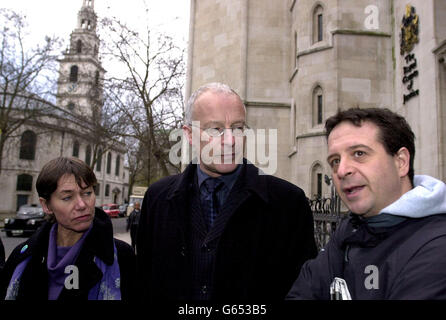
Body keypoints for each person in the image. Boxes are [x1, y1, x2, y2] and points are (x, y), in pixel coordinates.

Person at [136, 82, 317, 301]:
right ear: (190, 134)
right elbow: (145, 282)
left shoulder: (288, 203)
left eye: (239, 128)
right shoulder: (157, 199)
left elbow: (304, 290)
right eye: (215, 129)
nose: (230, 141)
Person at [287, 107, 446, 300]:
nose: (342, 170)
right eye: (335, 160)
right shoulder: (349, 230)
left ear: (401, 162)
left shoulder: (436, 247)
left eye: (359, 154)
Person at [0, 157, 136, 300]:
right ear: (46, 205)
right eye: (67, 197)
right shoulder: (22, 256)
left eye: (87, 193)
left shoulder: (122, 256)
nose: (82, 204)